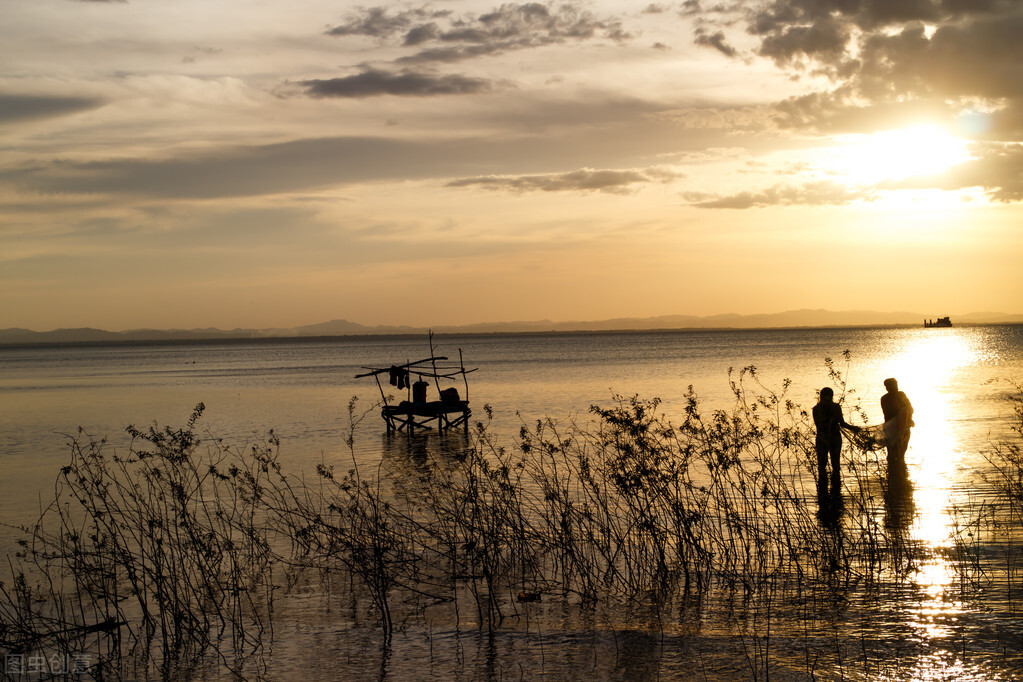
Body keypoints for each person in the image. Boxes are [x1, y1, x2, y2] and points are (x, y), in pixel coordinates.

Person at [812, 387, 861, 504]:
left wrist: (853, 428)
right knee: (824, 465)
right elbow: (821, 424)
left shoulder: (823, 408)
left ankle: (831, 492)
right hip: (826, 438)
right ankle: (831, 492)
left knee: (832, 464)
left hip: (829, 439)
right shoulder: (823, 408)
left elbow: (841, 423)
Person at [880, 378, 914, 468]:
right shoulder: (885, 399)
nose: (896, 387)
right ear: (887, 388)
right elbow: (889, 412)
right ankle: (894, 471)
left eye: (896, 385)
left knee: (901, 453)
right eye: (892, 386)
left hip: (904, 427)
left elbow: (910, 409)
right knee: (892, 453)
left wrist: (909, 418)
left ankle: (899, 475)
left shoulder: (902, 395)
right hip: (891, 429)